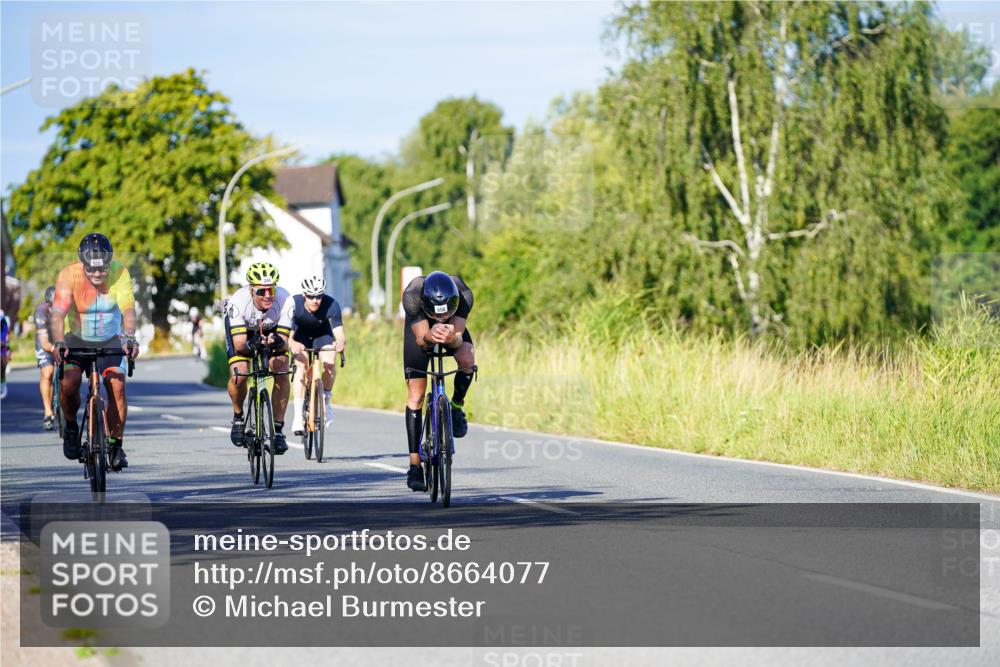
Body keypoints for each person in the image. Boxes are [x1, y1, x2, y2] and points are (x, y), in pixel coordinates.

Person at [51, 233, 140, 469]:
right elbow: (58, 314)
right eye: (92, 269)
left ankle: (116, 444)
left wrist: (130, 338)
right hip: (75, 338)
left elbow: (128, 310)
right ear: (83, 263)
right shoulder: (69, 275)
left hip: (110, 339)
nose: (98, 274)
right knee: (68, 383)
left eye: (103, 269)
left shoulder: (120, 272)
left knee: (117, 385)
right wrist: (58, 342)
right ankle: (71, 426)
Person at [401, 271, 476, 492]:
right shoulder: (413, 296)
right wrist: (430, 336)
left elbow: (458, 339)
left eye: (446, 315)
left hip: (452, 332)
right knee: (416, 393)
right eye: (438, 315)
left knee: (467, 359)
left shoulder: (463, 295)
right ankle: (415, 466)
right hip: (422, 328)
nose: (442, 318)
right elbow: (421, 341)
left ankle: (455, 407)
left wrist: (451, 337)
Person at [224, 262, 294, 454]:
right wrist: (251, 344)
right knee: (240, 374)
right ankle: (238, 417)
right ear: (251, 290)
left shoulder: (285, 299)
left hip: (272, 329)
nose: (268, 296)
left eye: (271, 290)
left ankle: (278, 430)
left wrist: (277, 342)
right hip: (244, 331)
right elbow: (239, 344)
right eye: (262, 291)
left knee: (280, 367)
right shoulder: (237, 302)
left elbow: (285, 341)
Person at [289, 275, 346, 435]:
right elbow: (289, 336)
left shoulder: (331, 304)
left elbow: (339, 334)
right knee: (301, 367)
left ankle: (326, 399)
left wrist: (340, 342)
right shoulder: (294, 304)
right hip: (300, 337)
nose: (315, 300)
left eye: (319, 296)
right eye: (311, 296)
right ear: (304, 295)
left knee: (329, 362)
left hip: (322, 336)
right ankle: (298, 417)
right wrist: (292, 344)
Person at [34, 286, 58, 430]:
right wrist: (53, 349)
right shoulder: (41, 312)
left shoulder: (67, 309)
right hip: (45, 342)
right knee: (48, 372)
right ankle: (48, 411)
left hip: (61, 340)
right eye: (53, 305)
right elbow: (44, 342)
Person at [0, 308, 10, 400]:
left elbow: (4, 341)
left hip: (2, 349)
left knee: (2, 365)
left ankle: (2, 384)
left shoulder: (3, 323)